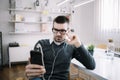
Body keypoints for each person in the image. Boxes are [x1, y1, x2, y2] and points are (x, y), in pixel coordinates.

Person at [25, 15, 96, 80]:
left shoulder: (72, 46)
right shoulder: (41, 44)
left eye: (62, 31)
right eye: (55, 30)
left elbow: (91, 65)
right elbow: (33, 68)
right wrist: (31, 71)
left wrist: (79, 44)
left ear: (68, 30)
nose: (58, 34)